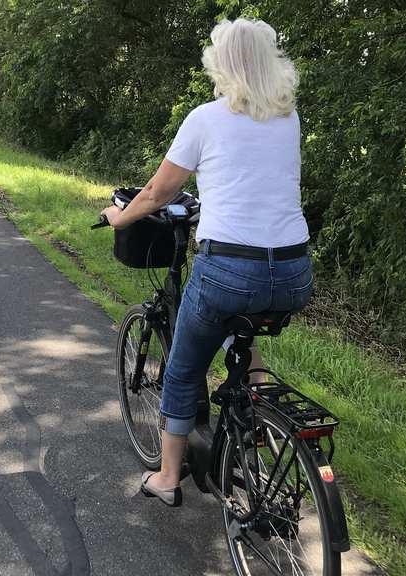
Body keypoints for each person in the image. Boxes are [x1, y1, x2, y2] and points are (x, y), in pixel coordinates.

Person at [100, 17, 312, 507]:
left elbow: (156, 193)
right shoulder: (289, 118)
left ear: (222, 66)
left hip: (230, 272)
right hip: (295, 273)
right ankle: (257, 430)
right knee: (245, 337)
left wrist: (117, 219)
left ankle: (168, 478)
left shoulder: (205, 119)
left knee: (182, 369)